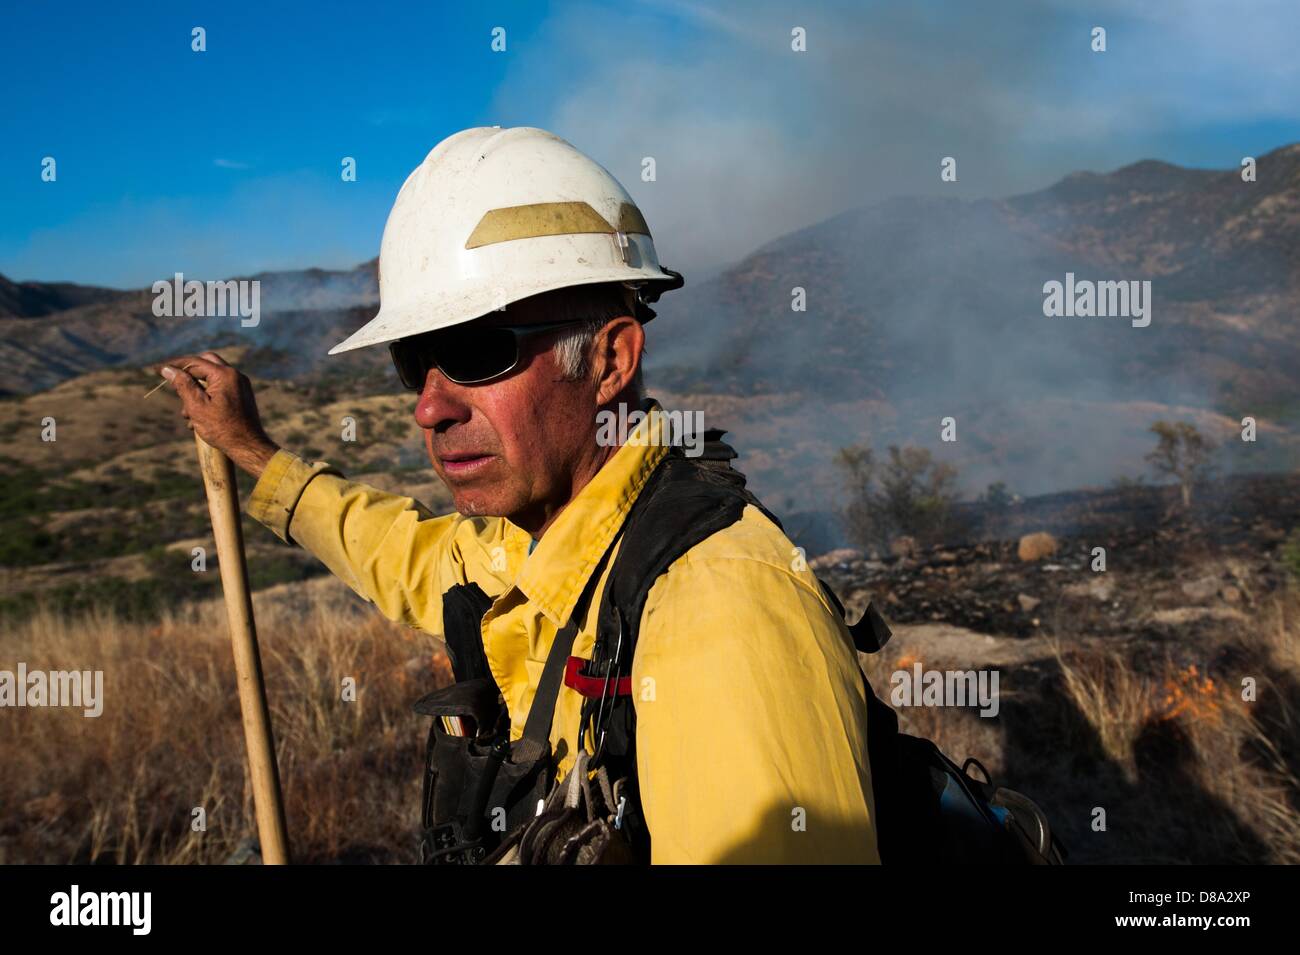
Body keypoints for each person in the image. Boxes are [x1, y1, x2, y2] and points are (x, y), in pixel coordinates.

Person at [161, 126, 878, 864]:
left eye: (476, 349)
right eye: (417, 361)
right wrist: (253, 450)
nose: (429, 408)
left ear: (610, 360)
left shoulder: (724, 614)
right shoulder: (523, 540)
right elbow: (397, 552)